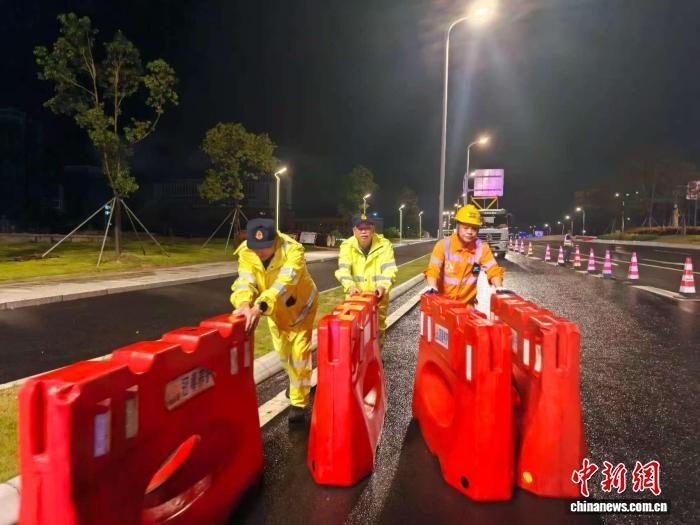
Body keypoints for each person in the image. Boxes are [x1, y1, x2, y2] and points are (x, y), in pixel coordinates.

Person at [230, 218, 318, 424]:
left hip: (300, 309)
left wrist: (259, 307)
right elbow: (245, 280)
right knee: (284, 355)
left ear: (276, 240)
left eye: (265, 247)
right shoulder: (247, 252)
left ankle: (299, 403)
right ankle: (296, 384)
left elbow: (284, 283)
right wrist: (243, 303)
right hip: (275, 312)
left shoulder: (293, 251)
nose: (260, 252)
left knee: (299, 355)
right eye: (256, 247)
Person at [335, 213, 398, 347]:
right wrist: (350, 286)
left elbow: (389, 269)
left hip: (377, 298)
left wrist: (382, 286)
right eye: (360, 228)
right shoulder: (347, 245)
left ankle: (376, 356)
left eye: (367, 228)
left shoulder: (384, 245)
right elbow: (343, 270)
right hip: (355, 298)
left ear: (373, 229)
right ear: (354, 230)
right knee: (354, 332)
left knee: (377, 330)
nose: (364, 231)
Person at [424, 204, 505, 305]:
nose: (470, 232)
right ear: (458, 227)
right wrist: (432, 287)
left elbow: (493, 270)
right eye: (465, 228)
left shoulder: (482, 247)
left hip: (466, 306)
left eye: (474, 228)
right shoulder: (443, 245)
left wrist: (499, 288)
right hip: (443, 305)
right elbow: (433, 269)